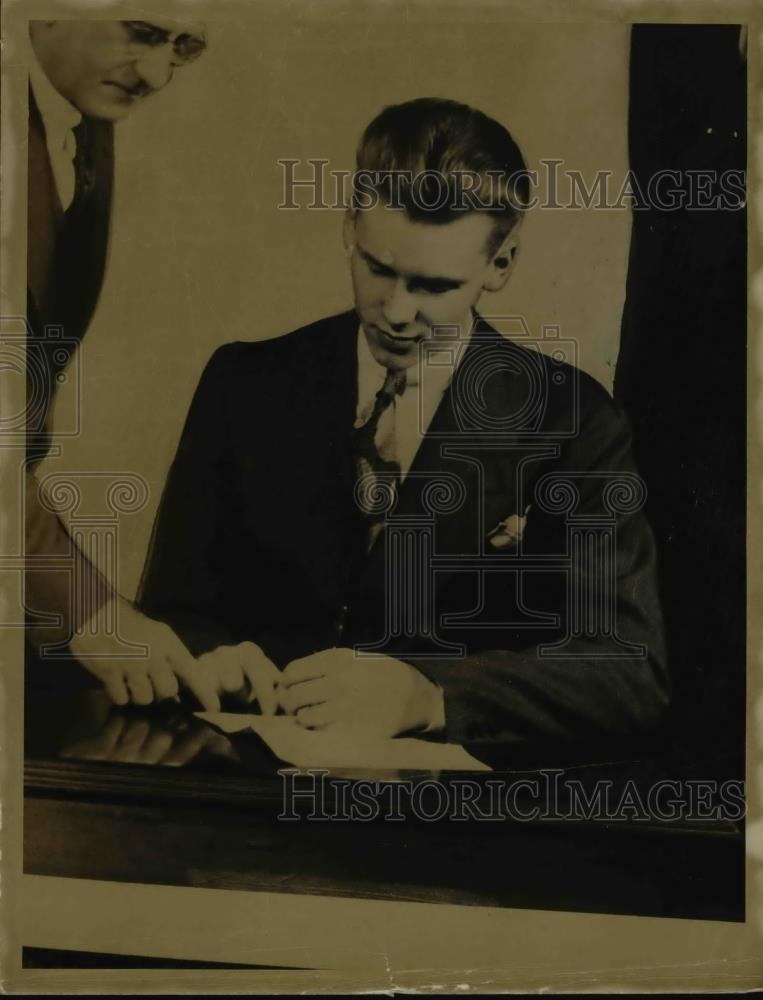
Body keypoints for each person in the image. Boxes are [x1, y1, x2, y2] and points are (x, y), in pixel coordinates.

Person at [138, 98, 670, 753]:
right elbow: (174, 609)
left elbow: (629, 671)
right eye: (377, 268)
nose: (395, 312)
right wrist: (205, 656)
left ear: (499, 265)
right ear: (348, 228)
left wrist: (430, 696)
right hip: (237, 789)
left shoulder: (572, 420)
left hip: (447, 826)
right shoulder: (243, 383)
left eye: (433, 286)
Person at [25, 18, 236, 712]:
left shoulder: (78, 116)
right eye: (141, 32)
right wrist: (87, 611)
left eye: (182, 47)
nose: (156, 75)